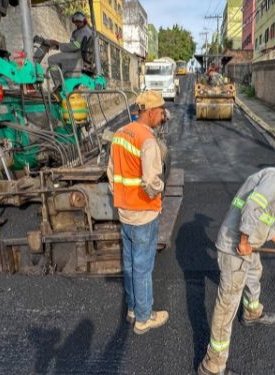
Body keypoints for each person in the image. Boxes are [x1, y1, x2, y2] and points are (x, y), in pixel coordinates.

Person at [198, 149, 275, 375]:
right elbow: (252, 207)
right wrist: (245, 240)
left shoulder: (268, 174)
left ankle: (251, 311)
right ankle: (212, 365)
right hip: (236, 247)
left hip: (246, 242)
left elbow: (262, 214)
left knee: (255, 271)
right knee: (226, 305)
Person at [107, 91, 168, 335]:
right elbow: (152, 182)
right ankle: (144, 318)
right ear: (151, 112)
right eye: (161, 111)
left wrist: (121, 196)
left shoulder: (120, 134)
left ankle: (133, 308)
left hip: (125, 211)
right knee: (143, 267)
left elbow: (111, 174)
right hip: (143, 214)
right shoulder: (147, 141)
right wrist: (159, 189)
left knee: (131, 264)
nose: (163, 116)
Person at [44, 11, 96, 78]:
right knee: (56, 58)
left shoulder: (85, 31)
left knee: (51, 59)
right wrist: (55, 46)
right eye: (76, 22)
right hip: (76, 53)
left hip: (78, 55)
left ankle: (59, 84)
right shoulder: (78, 31)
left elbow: (75, 46)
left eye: (79, 21)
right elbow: (72, 45)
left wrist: (58, 44)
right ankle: (62, 80)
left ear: (83, 21)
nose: (77, 24)